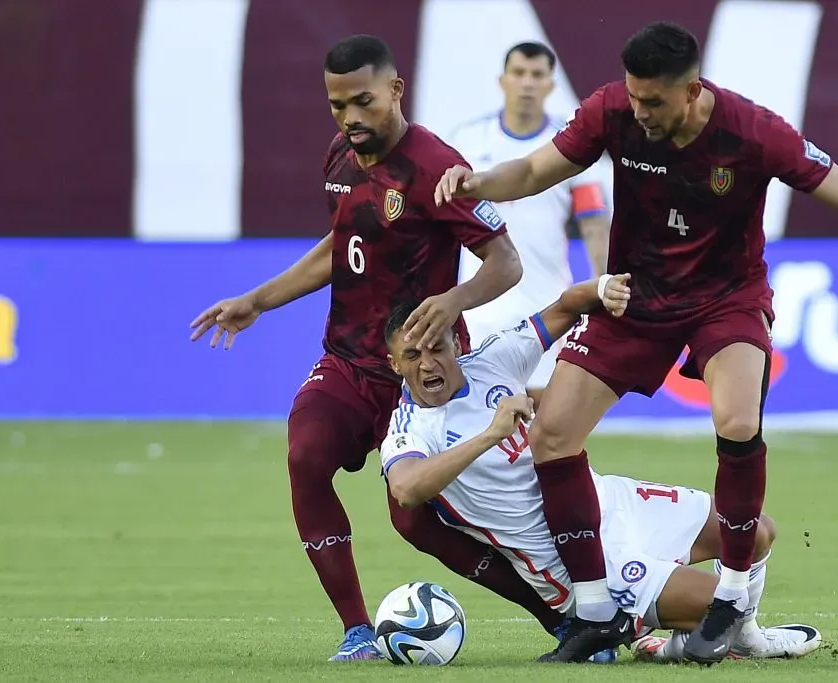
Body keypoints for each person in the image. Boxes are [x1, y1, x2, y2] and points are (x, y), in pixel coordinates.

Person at [434, 21, 838, 664]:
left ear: (692, 90)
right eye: (633, 96)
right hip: (637, 296)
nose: (638, 111)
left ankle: (731, 594)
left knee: (735, 419)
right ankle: (592, 611)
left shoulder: (753, 131)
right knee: (552, 437)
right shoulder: (612, 108)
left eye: (653, 102)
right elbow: (536, 168)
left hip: (727, 300)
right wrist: (478, 183)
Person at [188, 34, 567, 662]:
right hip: (348, 359)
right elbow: (342, 246)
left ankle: (556, 620)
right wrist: (259, 299)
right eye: (337, 105)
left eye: (363, 102)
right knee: (306, 454)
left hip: (423, 374)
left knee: (415, 520)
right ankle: (358, 632)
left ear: (395, 90)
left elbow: (506, 263)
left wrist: (453, 302)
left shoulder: (437, 168)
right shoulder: (342, 155)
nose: (350, 118)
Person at [377, 277, 821, 663]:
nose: (427, 363)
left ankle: (742, 637)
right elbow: (407, 489)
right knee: (717, 606)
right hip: (572, 562)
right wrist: (490, 435)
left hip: (607, 502)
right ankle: (670, 646)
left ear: (457, 342)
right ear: (395, 364)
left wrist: (604, 286)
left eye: (437, 346)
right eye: (412, 355)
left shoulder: (493, 360)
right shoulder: (411, 428)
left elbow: (566, 307)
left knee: (757, 531)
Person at [447, 42, 610, 399]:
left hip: (546, 304)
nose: (527, 83)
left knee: (545, 425)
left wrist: (601, 281)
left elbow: (594, 221)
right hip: (480, 304)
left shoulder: (571, 145)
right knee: (474, 416)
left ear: (551, 84)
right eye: (519, 73)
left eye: (537, 75)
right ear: (502, 80)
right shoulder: (467, 141)